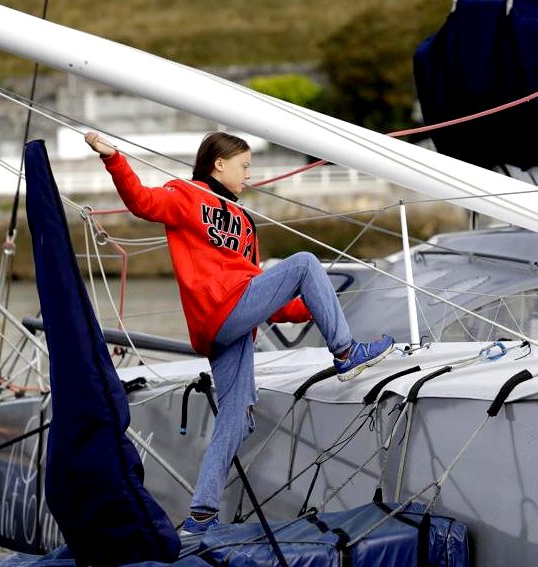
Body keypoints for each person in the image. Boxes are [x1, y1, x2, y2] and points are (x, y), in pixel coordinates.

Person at [84, 130, 395, 535]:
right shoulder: (186, 195)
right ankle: (345, 354)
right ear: (219, 164)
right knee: (303, 262)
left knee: (236, 419)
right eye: (244, 166)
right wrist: (114, 158)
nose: (249, 174)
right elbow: (142, 201)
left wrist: (316, 306)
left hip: (231, 323)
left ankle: (202, 514)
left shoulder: (245, 222)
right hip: (220, 309)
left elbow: (264, 293)